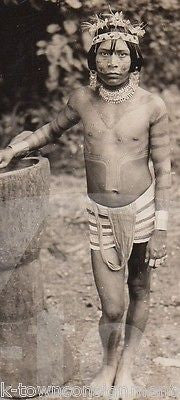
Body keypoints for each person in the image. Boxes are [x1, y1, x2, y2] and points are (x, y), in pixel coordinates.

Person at [0, 9, 171, 399]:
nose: (113, 62)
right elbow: (50, 129)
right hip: (101, 215)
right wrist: (13, 149)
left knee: (141, 291)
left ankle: (125, 368)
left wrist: (161, 227)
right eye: (105, 54)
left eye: (122, 54)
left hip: (144, 213)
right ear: (92, 59)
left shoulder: (152, 105)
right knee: (112, 306)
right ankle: (107, 364)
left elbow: (164, 170)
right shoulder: (81, 100)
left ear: (135, 59)